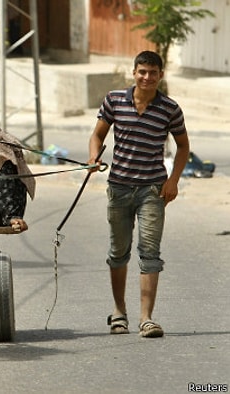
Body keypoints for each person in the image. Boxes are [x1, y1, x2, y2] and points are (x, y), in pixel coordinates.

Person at [88, 50, 189, 338]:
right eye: (142, 72)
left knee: (150, 253)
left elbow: (183, 146)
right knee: (118, 252)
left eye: (153, 73)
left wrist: (173, 181)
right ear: (134, 73)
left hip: (152, 191)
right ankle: (119, 313)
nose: (147, 77)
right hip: (118, 187)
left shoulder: (170, 109)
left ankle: (147, 318)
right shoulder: (114, 100)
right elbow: (97, 135)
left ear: (161, 75)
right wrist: (93, 157)